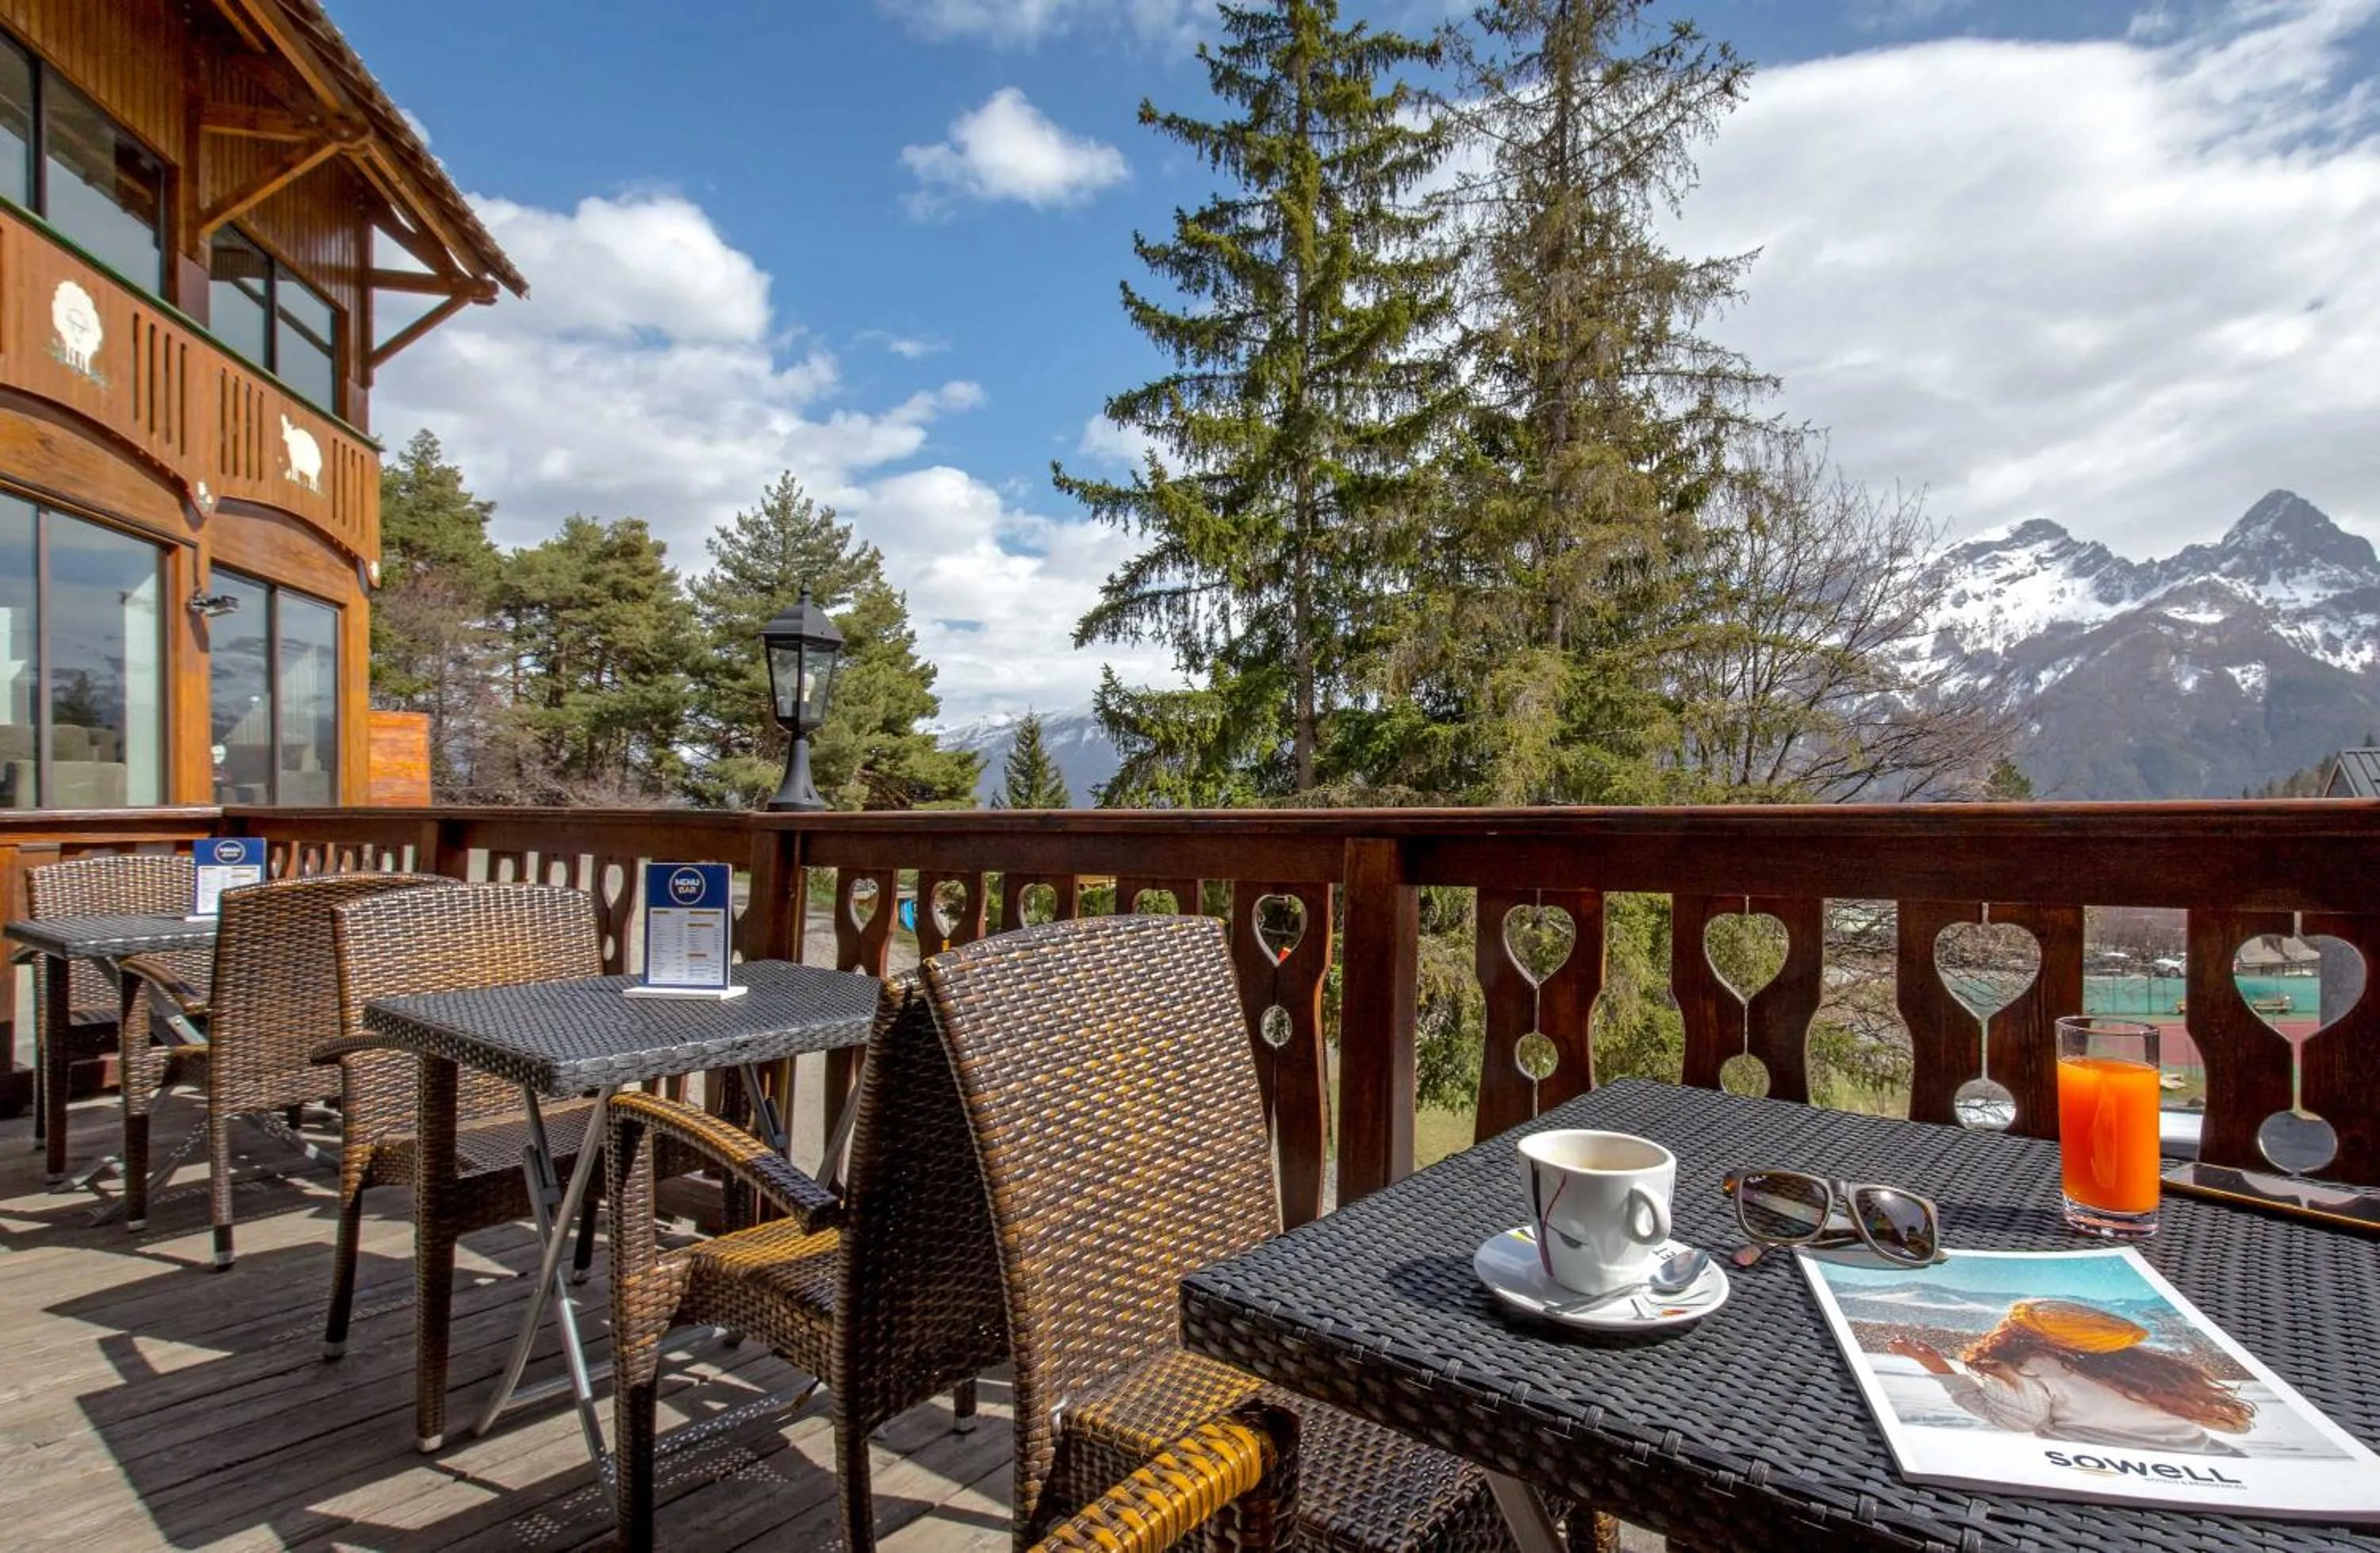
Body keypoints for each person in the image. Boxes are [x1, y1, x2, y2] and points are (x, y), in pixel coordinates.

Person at [1886, 1298, 2255, 1455]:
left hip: (2094, 1474)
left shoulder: (2023, 1364)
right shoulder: (2144, 1368)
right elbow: (2235, 1426)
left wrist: (1937, 1367)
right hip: (2216, 1463)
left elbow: (2012, 1420)